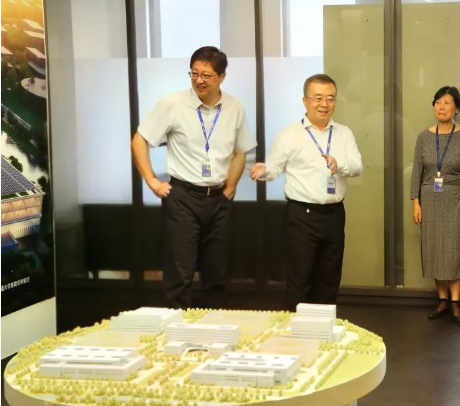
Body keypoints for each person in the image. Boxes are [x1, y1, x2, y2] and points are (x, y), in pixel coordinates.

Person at [131, 46, 256, 309]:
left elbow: (241, 150)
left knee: (217, 273)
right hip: (183, 198)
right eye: (194, 73)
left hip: (219, 199)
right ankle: (176, 327)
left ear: (222, 76)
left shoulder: (234, 107)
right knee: (181, 272)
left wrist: (231, 186)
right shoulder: (172, 104)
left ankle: (214, 325)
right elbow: (139, 140)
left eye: (206, 75)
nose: (199, 80)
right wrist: (152, 180)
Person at [249, 74, 362, 310]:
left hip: (334, 214)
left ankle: (324, 327)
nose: (324, 104)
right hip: (302, 215)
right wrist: (264, 170)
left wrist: (338, 164)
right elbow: (274, 168)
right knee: (300, 277)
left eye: (330, 98)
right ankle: (298, 327)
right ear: (305, 101)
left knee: (329, 277)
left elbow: (357, 167)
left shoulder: (344, 133)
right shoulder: (289, 134)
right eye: (318, 98)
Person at [411, 86, 460, 323]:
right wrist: (415, 203)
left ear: (457, 108)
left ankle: (456, 302)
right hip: (429, 198)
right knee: (434, 249)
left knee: (452, 249)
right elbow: (416, 173)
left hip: (454, 197)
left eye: (447, 103)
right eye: (438, 102)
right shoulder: (423, 137)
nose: (441, 107)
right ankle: (442, 300)